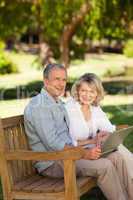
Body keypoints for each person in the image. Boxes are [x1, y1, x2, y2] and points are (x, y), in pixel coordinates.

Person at [24, 63, 132, 200]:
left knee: (116, 157)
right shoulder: (39, 106)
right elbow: (54, 144)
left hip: (68, 155)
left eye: (64, 80)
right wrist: (85, 153)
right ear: (45, 81)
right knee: (105, 166)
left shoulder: (56, 103)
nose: (61, 83)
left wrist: (92, 141)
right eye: (56, 79)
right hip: (52, 162)